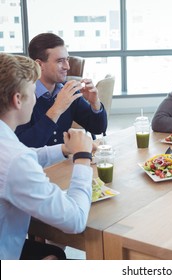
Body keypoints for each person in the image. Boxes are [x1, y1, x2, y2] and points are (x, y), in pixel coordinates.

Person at [0, 53, 93, 260]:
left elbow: (20, 157)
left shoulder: (8, 144)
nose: (35, 99)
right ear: (17, 100)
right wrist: (82, 157)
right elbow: (75, 220)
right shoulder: (15, 160)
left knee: (53, 253)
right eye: (33, 92)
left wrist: (63, 149)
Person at [15, 33, 107, 148]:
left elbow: (98, 128)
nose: (67, 66)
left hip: (63, 163)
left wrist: (95, 103)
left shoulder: (67, 90)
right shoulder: (21, 97)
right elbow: (23, 146)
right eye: (60, 61)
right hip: (36, 165)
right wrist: (57, 108)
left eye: (67, 60)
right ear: (39, 64)